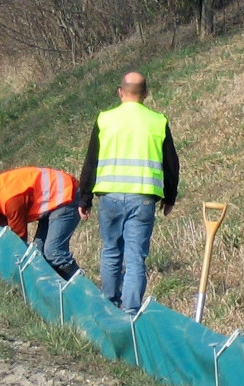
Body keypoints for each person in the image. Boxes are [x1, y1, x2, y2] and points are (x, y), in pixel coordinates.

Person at [78, 71, 180, 314]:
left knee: (111, 251)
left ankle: (108, 304)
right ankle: (131, 311)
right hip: (143, 198)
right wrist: (170, 197)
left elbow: (91, 160)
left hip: (109, 197)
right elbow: (171, 164)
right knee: (135, 258)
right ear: (146, 93)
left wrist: (85, 198)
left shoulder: (105, 119)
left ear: (120, 92)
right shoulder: (157, 121)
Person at [0, 167, 81, 280]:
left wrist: (9, 267)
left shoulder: (11, 201)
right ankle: (59, 286)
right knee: (38, 254)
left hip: (67, 195)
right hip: (53, 201)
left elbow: (18, 239)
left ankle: (81, 285)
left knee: (53, 252)